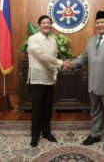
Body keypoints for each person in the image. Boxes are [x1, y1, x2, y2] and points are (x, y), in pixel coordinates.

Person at [64, 11, 104, 149]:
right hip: (93, 83)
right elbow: (84, 57)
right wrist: (72, 63)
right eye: (97, 22)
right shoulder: (91, 40)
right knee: (95, 111)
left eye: (102, 22)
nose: (99, 25)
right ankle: (95, 134)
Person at [27, 15, 64, 147]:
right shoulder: (33, 39)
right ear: (39, 25)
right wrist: (61, 62)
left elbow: (52, 58)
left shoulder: (53, 41)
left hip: (49, 79)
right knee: (37, 109)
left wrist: (54, 75)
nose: (47, 25)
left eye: (49, 23)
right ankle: (35, 135)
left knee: (48, 109)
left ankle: (46, 132)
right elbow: (42, 56)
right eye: (44, 23)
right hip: (37, 79)